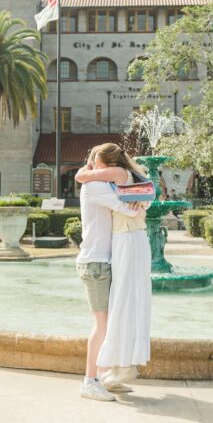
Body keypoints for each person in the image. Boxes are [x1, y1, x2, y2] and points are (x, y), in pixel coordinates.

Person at [75, 143, 152, 400]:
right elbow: (125, 207)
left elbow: (129, 202)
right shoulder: (96, 186)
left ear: (101, 161)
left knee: (112, 320)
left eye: (93, 159)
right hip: (95, 262)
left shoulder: (108, 181)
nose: (91, 164)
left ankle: (106, 376)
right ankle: (90, 381)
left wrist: (139, 204)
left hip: (104, 261)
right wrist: (139, 206)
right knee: (103, 325)